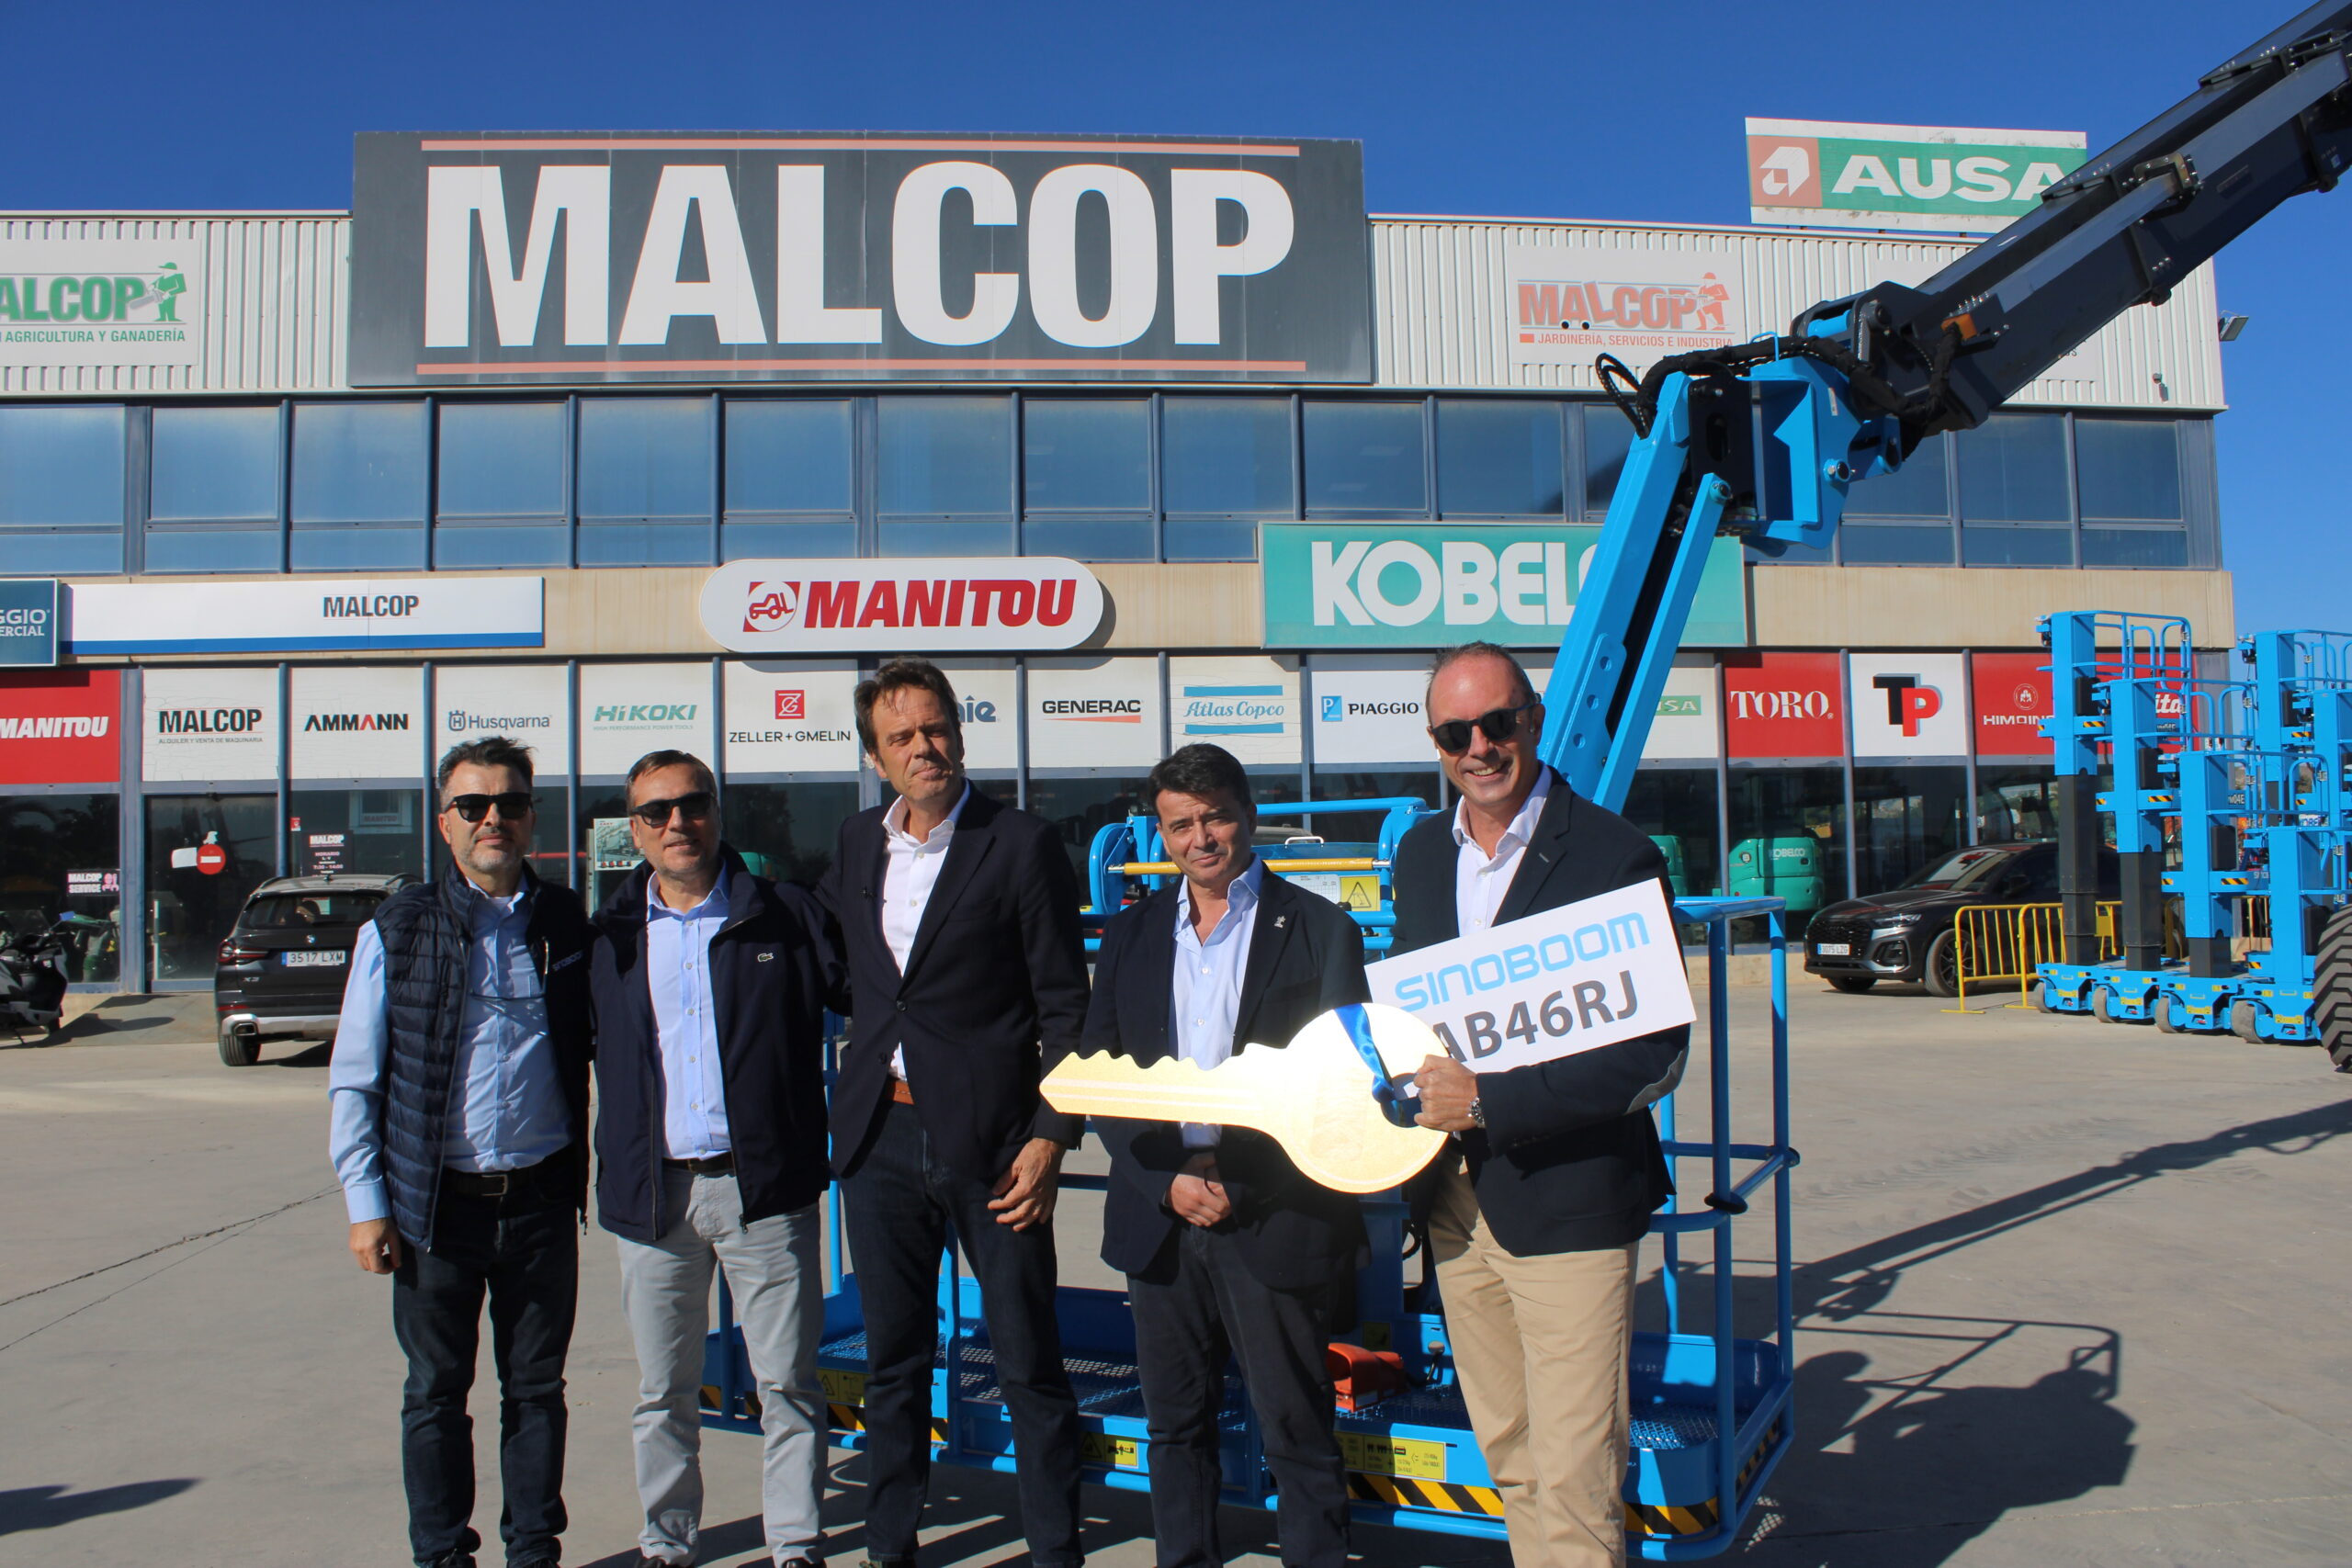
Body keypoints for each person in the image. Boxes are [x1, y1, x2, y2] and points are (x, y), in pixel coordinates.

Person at [1394, 643, 1689, 1568]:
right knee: (1512, 1460)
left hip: (1569, 1204)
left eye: (1496, 724)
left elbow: (1654, 1053)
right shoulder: (1418, 855)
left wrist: (1488, 1100)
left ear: (1532, 720)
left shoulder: (1613, 854)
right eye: (1455, 733)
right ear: (1436, 744)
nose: (1478, 748)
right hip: (1454, 1206)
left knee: (1575, 1475)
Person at [819, 658, 1090, 1568]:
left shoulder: (1019, 843)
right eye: (901, 737)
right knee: (892, 1362)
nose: (923, 747)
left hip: (997, 1145)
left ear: (960, 735)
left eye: (935, 728)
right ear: (876, 757)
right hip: (881, 1138)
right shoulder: (856, 843)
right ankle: (888, 1547)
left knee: (1027, 1361)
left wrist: (1050, 1138)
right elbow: (842, 971)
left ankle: (1054, 1551)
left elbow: (1065, 1007)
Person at [1085, 743, 1370, 1568]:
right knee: (1176, 1428)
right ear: (1162, 832)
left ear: (1246, 812)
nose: (1200, 838)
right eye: (1181, 824)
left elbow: (1340, 1084)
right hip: (1162, 1216)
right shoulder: (1131, 933)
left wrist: (1239, 1180)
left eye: (1214, 816)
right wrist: (1163, 1179)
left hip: (1273, 1217)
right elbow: (1099, 1073)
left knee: (1296, 1431)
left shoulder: (1321, 928)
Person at [327, 737, 596, 1568]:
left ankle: (534, 1550)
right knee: (436, 1393)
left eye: (509, 803)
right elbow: (355, 1077)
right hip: (436, 1208)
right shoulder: (398, 927)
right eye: (472, 805)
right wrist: (367, 1204)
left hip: (541, 1202)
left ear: (531, 818)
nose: (492, 819)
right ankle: (442, 1553)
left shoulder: (565, 922)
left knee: (537, 1390)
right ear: (444, 823)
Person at [588, 750, 847, 1568]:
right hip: (653, 1194)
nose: (678, 822)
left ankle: (795, 1542)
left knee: (788, 1384)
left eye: (692, 804)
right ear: (635, 830)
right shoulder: (609, 938)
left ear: (716, 812)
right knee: (663, 1389)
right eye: (656, 811)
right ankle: (666, 1542)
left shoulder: (786, 916)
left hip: (763, 1190)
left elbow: (876, 1002)